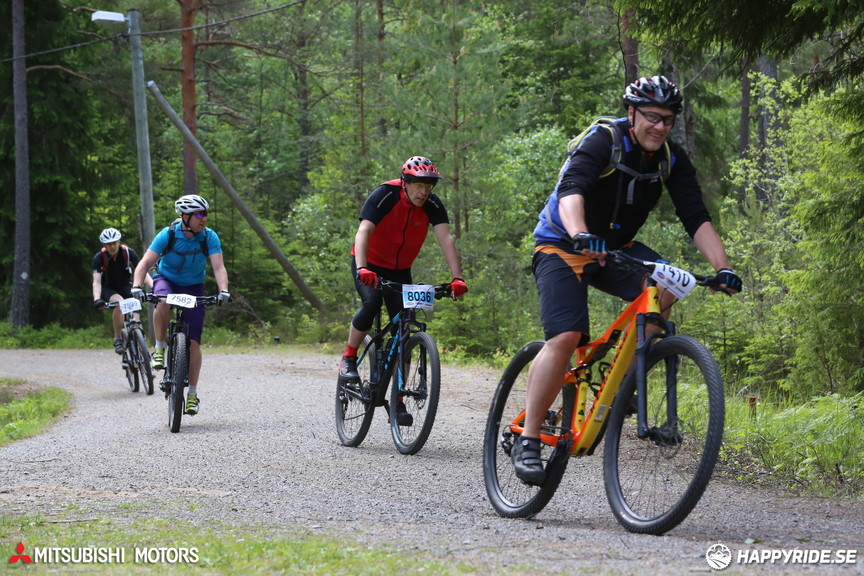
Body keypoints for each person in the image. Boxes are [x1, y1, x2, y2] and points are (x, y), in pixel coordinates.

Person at [513, 75, 743, 485]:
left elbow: (695, 216)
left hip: (617, 247)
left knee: (668, 286)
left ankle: (621, 379)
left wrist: (723, 267)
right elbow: (571, 190)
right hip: (563, 244)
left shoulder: (671, 158)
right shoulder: (604, 140)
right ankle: (528, 439)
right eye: (652, 116)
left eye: (668, 120)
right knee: (566, 336)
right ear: (632, 113)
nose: (660, 126)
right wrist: (580, 233)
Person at [338, 156, 468, 424]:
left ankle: (397, 400)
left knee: (404, 331)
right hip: (369, 263)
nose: (424, 192)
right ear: (405, 183)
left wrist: (457, 278)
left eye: (428, 186)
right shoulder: (385, 194)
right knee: (371, 303)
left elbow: (446, 238)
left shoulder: (432, 204)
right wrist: (362, 267)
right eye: (419, 185)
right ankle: (349, 357)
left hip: (399, 270)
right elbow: (363, 231)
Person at [131, 194, 230, 416]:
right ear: (185, 217)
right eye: (199, 214)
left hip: (194, 286)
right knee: (162, 301)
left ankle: (192, 394)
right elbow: (144, 263)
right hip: (167, 280)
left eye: (205, 213)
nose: (204, 218)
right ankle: (159, 347)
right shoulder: (168, 234)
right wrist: (137, 285)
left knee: (194, 343)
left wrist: (223, 290)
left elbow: (218, 267)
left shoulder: (209, 237)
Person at [91, 227, 151, 353]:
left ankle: (138, 336)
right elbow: (96, 282)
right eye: (109, 244)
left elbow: (142, 272)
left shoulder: (128, 253)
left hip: (126, 286)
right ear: (104, 245)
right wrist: (97, 299)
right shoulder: (99, 258)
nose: (112, 246)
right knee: (119, 303)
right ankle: (118, 338)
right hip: (109, 288)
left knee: (135, 311)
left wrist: (154, 287)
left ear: (119, 242)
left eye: (114, 243)